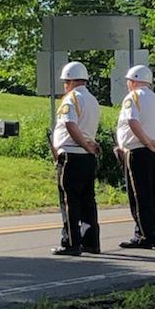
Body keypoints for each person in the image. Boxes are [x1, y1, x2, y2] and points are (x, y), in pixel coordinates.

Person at [51, 61, 101, 256]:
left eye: (65, 82)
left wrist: (84, 143)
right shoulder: (92, 100)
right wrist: (89, 145)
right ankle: (91, 242)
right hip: (87, 157)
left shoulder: (71, 98)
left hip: (72, 153)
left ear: (71, 81)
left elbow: (71, 125)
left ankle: (71, 242)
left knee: (70, 200)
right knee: (88, 201)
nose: (65, 85)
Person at [114, 64, 155, 249]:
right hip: (154, 151)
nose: (128, 84)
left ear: (134, 81)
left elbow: (132, 121)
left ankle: (143, 235)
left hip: (139, 149)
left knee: (139, 195)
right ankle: (154, 233)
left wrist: (146, 141)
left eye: (129, 81)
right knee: (153, 194)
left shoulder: (133, 96)